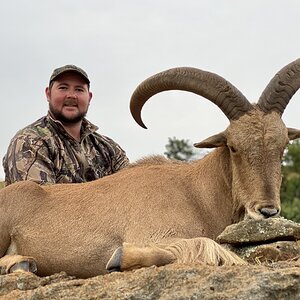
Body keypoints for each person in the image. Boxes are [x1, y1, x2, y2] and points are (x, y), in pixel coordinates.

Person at [3, 65, 129, 185]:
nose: (71, 95)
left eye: (79, 89)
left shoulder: (108, 148)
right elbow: (36, 204)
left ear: (89, 98)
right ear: (48, 94)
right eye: (63, 88)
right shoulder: (29, 141)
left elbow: (132, 190)